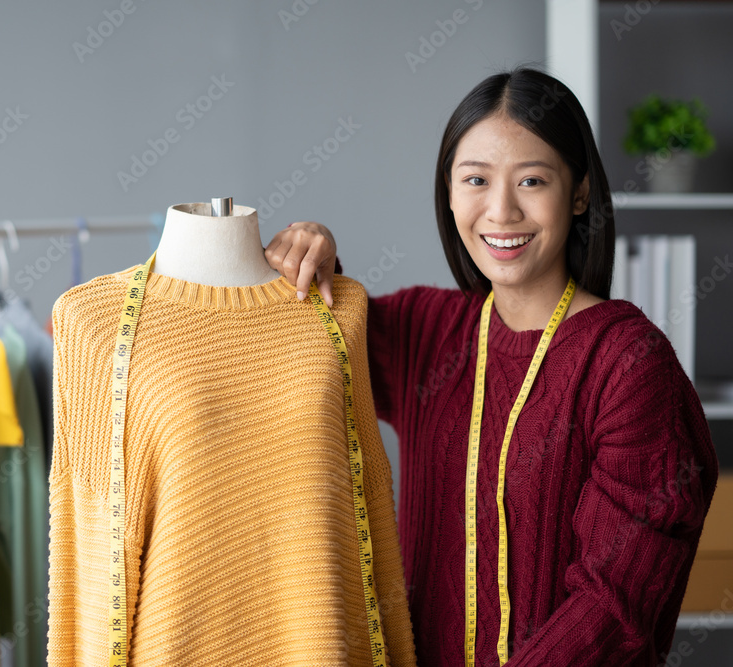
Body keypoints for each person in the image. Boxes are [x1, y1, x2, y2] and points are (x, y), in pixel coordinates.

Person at [264, 67, 718, 666]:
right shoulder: (430, 332)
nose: (500, 210)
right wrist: (309, 248)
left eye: (532, 180)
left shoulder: (630, 366)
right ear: (449, 193)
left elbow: (615, 609)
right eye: (475, 179)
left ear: (579, 193)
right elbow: (310, 336)